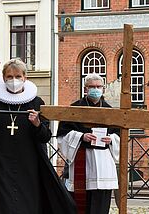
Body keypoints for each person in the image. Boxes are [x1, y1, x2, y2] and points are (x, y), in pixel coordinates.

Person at [0, 59, 76, 214]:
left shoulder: (36, 102)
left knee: (28, 203)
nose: (14, 80)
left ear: (25, 78)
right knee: (1, 203)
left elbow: (45, 136)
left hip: (29, 163)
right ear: (4, 78)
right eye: (9, 77)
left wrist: (37, 124)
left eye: (18, 76)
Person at [56, 73, 120, 214]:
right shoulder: (74, 109)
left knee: (101, 205)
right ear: (85, 89)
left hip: (104, 163)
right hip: (82, 159)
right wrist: (81, 136)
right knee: (81, 205)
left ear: (103, 89)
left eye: (98, 86)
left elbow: (119, 135)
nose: (95, 89)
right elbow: (62, 135)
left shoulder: (111, 111)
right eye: (92, 86)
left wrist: (112, 139)